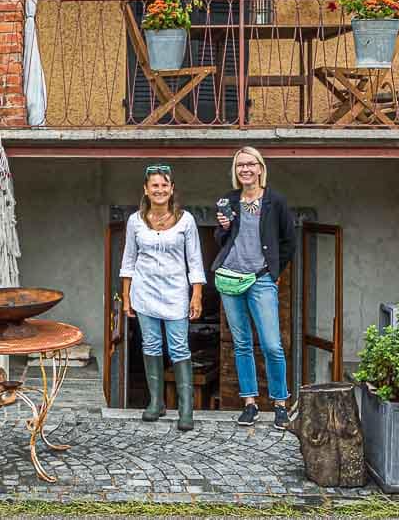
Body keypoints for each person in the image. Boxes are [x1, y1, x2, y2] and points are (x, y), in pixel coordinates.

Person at [212, 146, 297, 430]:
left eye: (250, 164)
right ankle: (249, 404)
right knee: (242, 344)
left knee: (272, 345)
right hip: (230, 277)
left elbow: (289, 241)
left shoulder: (276, 201)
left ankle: (280, 404)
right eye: (240, 166)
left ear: (260, 168)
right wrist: (223, 227)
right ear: (236, 172)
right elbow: (221, 239)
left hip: (261, 279)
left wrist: (274, 271)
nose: (245, 169)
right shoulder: (229, 200)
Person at [120, 163, 205, 431]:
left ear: (172, 189)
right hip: (144, 292)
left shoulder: (186, 220)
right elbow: (128, 260)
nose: (159, 190)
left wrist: (197, 295)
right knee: (151, 345)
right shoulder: (135, 221)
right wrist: (126, 296)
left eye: (164, 185)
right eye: (154, 185)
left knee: (179, 346)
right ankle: (156, 402)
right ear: (146, 190)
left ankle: (186, 407)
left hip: (175, 292)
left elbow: (195, 261)